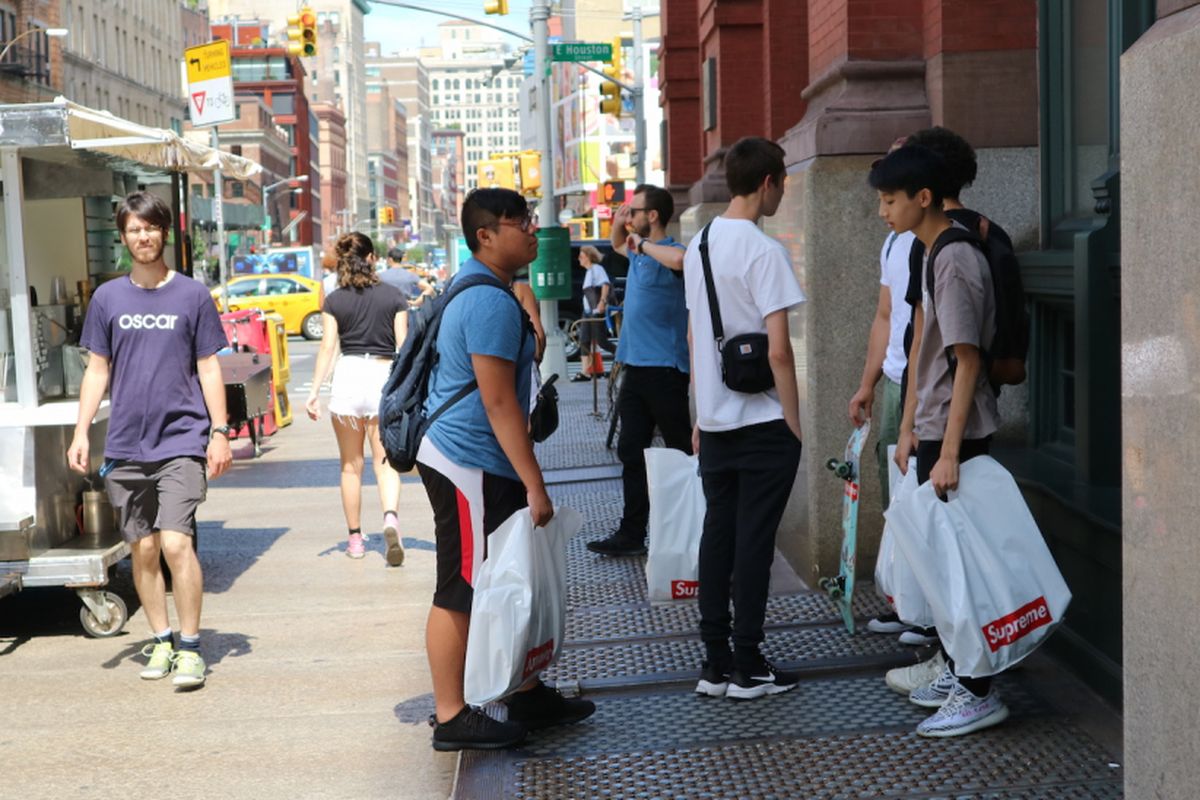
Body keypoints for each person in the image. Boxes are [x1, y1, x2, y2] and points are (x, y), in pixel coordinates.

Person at [417, 188, 594, 751]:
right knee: (463, 583)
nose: (532, 231)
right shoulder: (488, 301)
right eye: (521, 222)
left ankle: (525, 691)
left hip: (480, 459)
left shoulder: (490, 289)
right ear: (486, 235)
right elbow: (499, 405)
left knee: (506, 573)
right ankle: (451, 716)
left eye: (531, 220)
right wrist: (534, 484)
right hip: (467, 460)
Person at [869, 144, 1010, 737]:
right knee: (946, 568)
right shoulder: (930, 252)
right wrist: (910, 430)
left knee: (961, 571)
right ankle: (960, 672)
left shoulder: (953, 259)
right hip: (934, 429)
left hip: (957, 437)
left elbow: (967, 361)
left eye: (890, 200)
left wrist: (947, 451)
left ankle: (978, 691)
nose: (883, 212)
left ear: (922, 198)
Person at [67, 191, 232, 689]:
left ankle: (190, 646)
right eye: (134, 230)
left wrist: (220, 431)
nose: (143, 236)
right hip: (124, 446)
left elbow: (208, 366)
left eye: (150, 228)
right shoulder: (108, 299)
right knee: (142, 549)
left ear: (164, 232)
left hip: (181, 439)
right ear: (124, 238)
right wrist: (81, 431)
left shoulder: (192, 296)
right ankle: (160, 639)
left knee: (178, 543)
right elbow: (98, 369)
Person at [683, 137, 806, 700]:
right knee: (755, 541)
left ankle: (714, 662)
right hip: (761, 422)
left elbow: (693, 339)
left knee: (718, 535)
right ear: (768, 182)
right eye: (781, 183)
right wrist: (794, 421)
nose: (782, 192)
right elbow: (779, 350)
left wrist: (698, 411)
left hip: (714, 421)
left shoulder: (699, 245)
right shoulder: (764, 251)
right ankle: (750, 664)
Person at [587, 184, 692, 557]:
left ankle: (690, 527)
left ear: (653, 216)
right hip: (634, 368)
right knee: (632, 451)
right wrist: (621, 219)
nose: (629, 218)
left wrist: (640, 243)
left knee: (681, 452)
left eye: (636, 211)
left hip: (666, 369)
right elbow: (617, 242)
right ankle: (632, 533)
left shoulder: (675, 252)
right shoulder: (638, 254)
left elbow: (680, 264)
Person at [306, 232, 407, 565]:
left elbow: (327, 347)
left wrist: (314, 392)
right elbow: (404, 349)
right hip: (383, 377)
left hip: (349, 376)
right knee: (385, 461)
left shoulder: (334, 300)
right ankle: (390, 518)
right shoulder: (394, 297)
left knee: (351, 467)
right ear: (373, 258)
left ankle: (354, 540)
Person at [572, 245, 611, 382]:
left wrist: (602, 301)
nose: (579, 259)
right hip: (587, 312)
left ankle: (623, 359)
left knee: (602, 341)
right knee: (584, 340)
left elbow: (605, 285)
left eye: (581, 256)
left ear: (588, 257)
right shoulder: (589, 272)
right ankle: (585, 371)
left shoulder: (596, 269)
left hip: (595, 311)